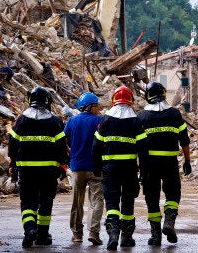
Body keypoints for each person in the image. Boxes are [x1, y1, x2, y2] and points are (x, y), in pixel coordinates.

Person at [8, 87, 68, 248]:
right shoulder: (55, 122)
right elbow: (62, 147)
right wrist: (62, 166)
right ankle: (42, 235)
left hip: (26, 171)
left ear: (30, 101)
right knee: (46, 203)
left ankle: (29, 230)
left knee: (27, 202)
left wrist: (12, 165)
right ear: (48, 102)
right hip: (49, 172)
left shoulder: (21, 120)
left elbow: (12, 144)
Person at [92, 86, 148, 250]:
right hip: (130, 169)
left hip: (110, 169)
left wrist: (96, 166)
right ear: (130, 101)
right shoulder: (136, 121)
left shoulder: (105, 119)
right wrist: (144, 172)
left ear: (114, 100)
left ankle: (113, 234)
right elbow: (143, 149)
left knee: (111, 202)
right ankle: (127, 238)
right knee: (128, 202)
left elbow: (96, 145)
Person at [137, 81, 191, 246]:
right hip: (170, 162)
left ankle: (155, 235)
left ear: (148, 95)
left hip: (149, 164)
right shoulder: (174, 114)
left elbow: (136, 144)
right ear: (163, 93)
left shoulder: (141, 116)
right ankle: (169, 221)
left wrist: (138, 167)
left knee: (151, 198)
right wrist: (188, 161)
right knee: (173, 194)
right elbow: (184, 140)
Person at [64, 92, 104, 245]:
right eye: (97, 106)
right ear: (90, 106)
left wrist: (70, 154)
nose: (98, 109)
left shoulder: (72, 121)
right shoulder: (99, 121)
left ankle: (77, 234)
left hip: (77, 167)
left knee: (77, 201)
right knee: (96, 201)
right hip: (95, 168)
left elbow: (64, 140)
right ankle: (93, 232)